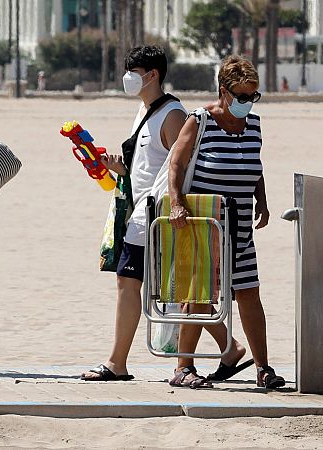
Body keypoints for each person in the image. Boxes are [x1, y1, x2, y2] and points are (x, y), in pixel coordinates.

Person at [80, 46, 249, 383]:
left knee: (134, 284)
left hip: (154, 219)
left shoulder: (172, 114)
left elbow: (180, 166)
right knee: (168, 289)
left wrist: (173, 208)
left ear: (152, 74)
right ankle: (229, 349)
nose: (127, 78)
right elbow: (146, 167)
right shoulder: (146, 111)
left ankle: (118, 363)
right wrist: (118, 167)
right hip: (142, 215)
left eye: (133, 71)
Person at [167, 55, 285, 390]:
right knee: (199, 295)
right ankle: (183, 366)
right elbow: (176, 165)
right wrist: (176, 203)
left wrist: (261, 199)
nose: (248, 103)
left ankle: (263, 367)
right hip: (204, 222)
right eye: (243, 96)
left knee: (249, 293)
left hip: (240, 226)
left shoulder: (254, 125)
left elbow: (254, 165)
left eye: (253, 96)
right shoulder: (200, 120)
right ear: (224, 91)